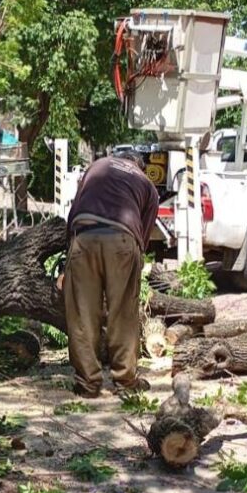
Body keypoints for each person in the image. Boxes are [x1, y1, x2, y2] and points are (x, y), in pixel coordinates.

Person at [63, 151, 159, 398]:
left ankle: (88, 383)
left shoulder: (97, 166)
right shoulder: (147, 185)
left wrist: (68, 257)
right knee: (123, 311)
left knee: (83, 313)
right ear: (139, 165)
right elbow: (142, 237)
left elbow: (74, 210)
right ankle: (125, 381)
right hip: (123, 238)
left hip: (83, 235)